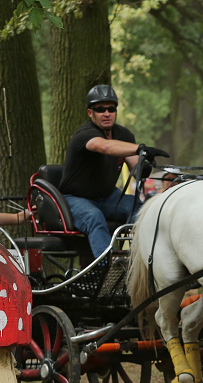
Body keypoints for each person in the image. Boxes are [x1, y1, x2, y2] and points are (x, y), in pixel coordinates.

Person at [58, 84, 169, 258]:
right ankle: (107, 269)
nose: (107, 113)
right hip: (74, 199)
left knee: (141, 210)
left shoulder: (123, 134)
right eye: (100, 109)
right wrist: (141, 148)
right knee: (94, 217)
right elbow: (104, 146)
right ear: (90, 112)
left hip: (108, 197)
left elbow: (135, 165)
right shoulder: (85, 134)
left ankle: (144, 260)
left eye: (111, 108)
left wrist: (143, 165)